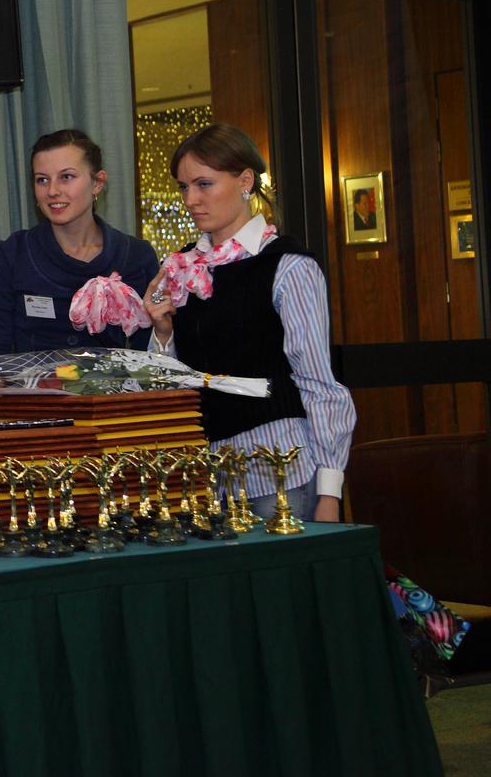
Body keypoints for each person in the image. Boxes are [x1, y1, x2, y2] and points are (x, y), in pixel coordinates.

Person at [143, 123, 355, 523]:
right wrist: (163, 331)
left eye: (204, 184)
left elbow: (318, 383)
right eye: (184, 187)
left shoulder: (288, 266)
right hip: (206, 478)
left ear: (245, 181)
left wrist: (329, 490)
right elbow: (169, 385)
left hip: (280, 473)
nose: (190, 199)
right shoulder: (183, 267)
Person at [0, 129, 159, 419]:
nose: (52, 191)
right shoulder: (13, 255)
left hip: (113, 422)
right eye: (42, 180)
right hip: (36, 425)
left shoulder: (135, 256)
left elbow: (151, 362)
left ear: (97, 182)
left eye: (67, 177)